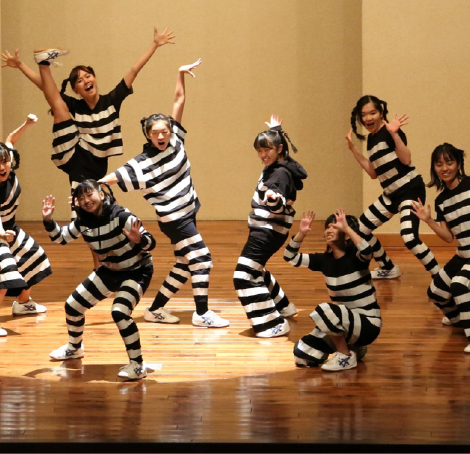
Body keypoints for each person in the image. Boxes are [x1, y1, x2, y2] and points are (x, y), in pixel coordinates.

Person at [100, 59, 229, 328]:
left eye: (165, 131)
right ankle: (202, 313)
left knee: (185, 263)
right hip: (174, 220)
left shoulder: (176, 141)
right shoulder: (142, 164)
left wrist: (179, 73)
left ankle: (155, 309)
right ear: (148, 135)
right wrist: (89, 189)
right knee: (202, 259)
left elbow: (179, 101)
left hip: (189, 211)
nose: (161, 136)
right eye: (156, 133)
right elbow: (113, 177)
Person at [1, 27, 175, 188]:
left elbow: (133, 70)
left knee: (88, 200)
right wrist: (21, 66)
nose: (86, 81)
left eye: (88, 76)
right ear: (76, 90)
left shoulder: (112, 101)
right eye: (80, 80)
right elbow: (46, 88)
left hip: (97, 165)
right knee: (59, 106)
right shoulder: (75, 106)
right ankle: (43, 63)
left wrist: (154, 44)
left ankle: (43, 63)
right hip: (74, 154)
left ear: (95, 78)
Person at [42, 181, 155, 380]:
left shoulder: (121, 216)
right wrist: (48, 219)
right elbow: (60, 238)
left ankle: (138, 365)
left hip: (136, 271)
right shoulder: (82, 222)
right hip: (110, 270)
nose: (86, 200)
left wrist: (139, 240)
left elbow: (151, 242)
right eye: (81, 198)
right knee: (73, 306)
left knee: (120, 311)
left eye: (90, 194)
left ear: (101, 194)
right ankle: (75, 348)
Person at [0, 114, 52, 337]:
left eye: (4, 161)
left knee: (36, 256)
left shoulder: (9, 165)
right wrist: (2, 234)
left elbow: (10, 139)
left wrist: (27, 124)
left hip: (10, 228)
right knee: (8, 270)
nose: (2, 166)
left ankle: (22, 303)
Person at [346, 95, 439, 279]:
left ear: (381, 113)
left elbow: (406, 159)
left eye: (373, 113)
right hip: (391, 195)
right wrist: (353, 149)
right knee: (359, 230)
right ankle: (388, 267)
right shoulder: (371, 140)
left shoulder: (389, 131)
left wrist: (395, 134)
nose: (368, 118)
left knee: (409, 237)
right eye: (364, 115)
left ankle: (440, 276)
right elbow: (373, 173)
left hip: (409, 189)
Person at [232, 115, 305, 338]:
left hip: (267, 231)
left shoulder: (280, 173)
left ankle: (273, 324)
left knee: (243, 275)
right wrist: (277, 129)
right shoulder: (282, 165)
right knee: (255, 269)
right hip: (267, 229)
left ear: (279, 149)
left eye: (268, 149)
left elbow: (278, 200)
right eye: (260, 150)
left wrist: (274, 199)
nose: (263, 155)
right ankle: (284, 307)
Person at [284, 210, 382, 371]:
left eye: (335, 227)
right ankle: (355, 348)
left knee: (325, 310)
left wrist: (347, 228)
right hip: (344, 322)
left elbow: (367, 250)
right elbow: (290, 257)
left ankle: (345, 355)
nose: (329, 230)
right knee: (302, 353)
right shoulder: (324, 260)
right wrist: (301, 233)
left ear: (347, 235)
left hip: (368, 324)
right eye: (328, 227)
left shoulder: (357, 258)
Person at [411, 143, 470, 352]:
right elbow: (448, 237)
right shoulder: (442, 200)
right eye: (439, 164)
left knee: (459, 285)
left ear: (459, 163)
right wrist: (429, 221)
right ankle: (460, 320)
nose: (444, 168)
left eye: (449, 162)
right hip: (463, 254)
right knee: (436, 291)